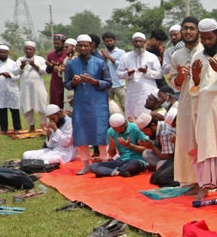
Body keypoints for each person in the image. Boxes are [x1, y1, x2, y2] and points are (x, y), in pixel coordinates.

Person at [187, 19, 217, 200]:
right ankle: (208, 185)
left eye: (210, 38)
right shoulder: (198, 55)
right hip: (205, 104)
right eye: (204, 39)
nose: (207, 42)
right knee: (207, 144)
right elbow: (194, 87)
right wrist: (196, 76)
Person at [64, 33, 115, 163]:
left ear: (90, 46)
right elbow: (67, 84)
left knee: (101, 131)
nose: (82, 48)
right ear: (76, 47)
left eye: (85, 46)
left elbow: (109, 82)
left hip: (98, 104)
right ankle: (85, 163)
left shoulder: (99, 63)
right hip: (80, 104)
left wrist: (94, 82)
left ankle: (104, 160)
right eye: (80, 46)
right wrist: (74, 83)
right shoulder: (71, 64)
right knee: (81, 132)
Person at [165, 15, 202, 184]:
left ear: (198, 31)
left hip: (204, 100)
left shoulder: (204, 50)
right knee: (187, 140)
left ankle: (208, 181)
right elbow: (175, 85)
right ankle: (189, 180)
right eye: (185, 28)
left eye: (191, 28)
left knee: (203, 139)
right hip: (186, 101)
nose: (188, 32)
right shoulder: (176, 55)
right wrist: (180, 75)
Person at [120, 30, 161, 121]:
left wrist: (147, 71)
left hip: (148, 92)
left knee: (147, 117)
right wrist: (128, 73)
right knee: (132, 117)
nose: (138, 44)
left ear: (145, 42)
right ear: (132, 42)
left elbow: (159, 74)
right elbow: (119, 74)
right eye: (136, 41)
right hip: (132, 92)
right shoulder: (125, 57)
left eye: (140, 41)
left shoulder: (152, 57)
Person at [0, 43, 23, 136]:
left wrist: (9, 75)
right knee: (1, 109)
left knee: (14, 110)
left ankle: (17, 128)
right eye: (1, 52)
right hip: (0, 90)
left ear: (8, 53)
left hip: (12, 90)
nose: (3, 54)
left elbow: (18, 75)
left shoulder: (13, 63)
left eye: (5, 53)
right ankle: (3, 129)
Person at [19, 48, 51, 126]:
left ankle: (45, 125)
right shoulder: (20, 59)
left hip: (38, 87)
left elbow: (45, 71)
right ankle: (31, 126)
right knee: (27, 105)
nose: (28, 51)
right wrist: (22, 66)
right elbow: (15, 72)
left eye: (31, 49)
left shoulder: (40, 59)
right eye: (27, 49)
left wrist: (34, 65)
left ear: (34, 50)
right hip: (25, 87)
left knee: (42, 105)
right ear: (24, 50)